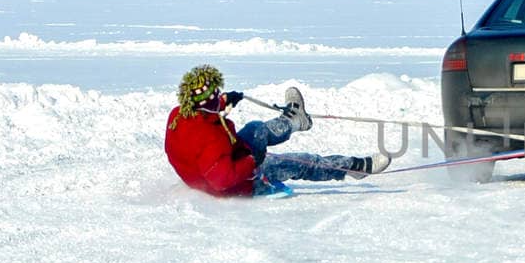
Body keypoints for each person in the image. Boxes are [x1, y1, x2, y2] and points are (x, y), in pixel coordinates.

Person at [164, 65, 390, 197]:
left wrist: (224, 101)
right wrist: (253, 161)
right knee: (300, 162)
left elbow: (206, 115)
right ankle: (356, 167)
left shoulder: (180, 114)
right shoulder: (209, 137)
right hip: (240, 185)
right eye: (217, 93)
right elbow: (221, 180)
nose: (220, 95)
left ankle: (294, 120)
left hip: (225, 161)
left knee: (256, 129)